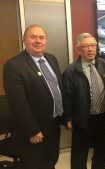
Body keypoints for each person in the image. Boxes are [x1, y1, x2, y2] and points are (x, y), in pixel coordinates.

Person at [3, 24, 63, 169]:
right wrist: (32, 130)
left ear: (46, 41)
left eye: (41, 37)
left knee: (50, 162)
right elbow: (18, 103)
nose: (38, 41)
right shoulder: (13, 66)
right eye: (33, 37)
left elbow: (57, 89)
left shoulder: (51, 59)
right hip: (33, 130)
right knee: (34, 164)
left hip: (53, 124)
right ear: (24, 40)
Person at [62, 33, 105, 169]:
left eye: (93, 45)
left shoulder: (104, 65)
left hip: (102, 117)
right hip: (82, 119)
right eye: (86, 46)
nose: (90, 49)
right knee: (79, 156)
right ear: (79, 50)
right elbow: (66, 96)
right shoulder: (71, 70)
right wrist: (68, 118)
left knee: (101, 153)